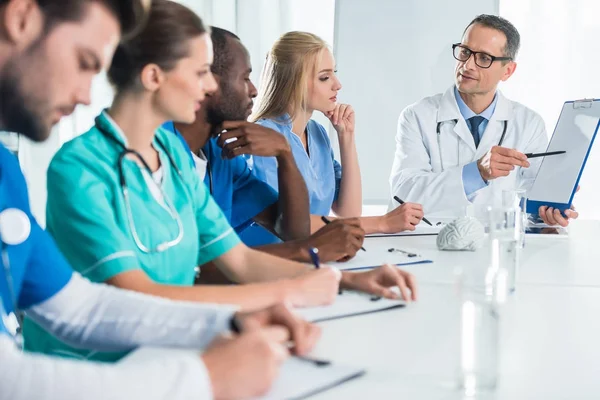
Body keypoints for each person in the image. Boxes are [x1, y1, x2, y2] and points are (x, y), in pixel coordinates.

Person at [29, 1, 417, 362]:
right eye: (201, 73)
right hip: (96, 369)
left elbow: (240, 260)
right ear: (153, 77)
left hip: (166, 352)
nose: (211, 86)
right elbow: (137, 297)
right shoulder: (78, 168)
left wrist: (347, 280)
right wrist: (291, 290)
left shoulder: (174, 155)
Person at [0, 1, 319, 399]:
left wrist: (229, 321)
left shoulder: (6, 172)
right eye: (83, 61)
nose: (85, 96)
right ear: (21, 18)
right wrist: (206, 379)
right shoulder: (78, 166)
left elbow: (80, 308)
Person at [168, 27, 367, 263]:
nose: (254, 90)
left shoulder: (222, 155)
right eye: (244, 78)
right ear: (206, 83)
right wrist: (311, 250)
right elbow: (188, 264)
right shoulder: (157, 151)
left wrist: (285, 155)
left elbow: (292, 230)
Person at [388, 14, 579, 226]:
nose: (468, 65)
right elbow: (403, 193)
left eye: (484, 58)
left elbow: (532, 197)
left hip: (495, 247)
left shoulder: (528, 123)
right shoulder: (417, 116)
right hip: (431, 245)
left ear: (508, 71)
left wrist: (549, 209)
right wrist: (476, 173)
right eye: (465, 52)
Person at [245, 31, 425, 241]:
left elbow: (348, 213)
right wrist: (382, 223)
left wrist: (346, 137)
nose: (337, 84)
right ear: (294, 83)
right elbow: (286, 223)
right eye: (325, 77)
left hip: (311, 254)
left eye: (334, 73)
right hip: (270, 259)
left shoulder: (317, 133)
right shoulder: (263, 137)